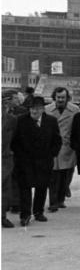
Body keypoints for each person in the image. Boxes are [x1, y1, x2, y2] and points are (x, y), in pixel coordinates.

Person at [11, 96, 62, 226]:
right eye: (32, 108)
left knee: (42, 187)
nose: (34, 111)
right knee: (25, 189)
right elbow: (14, 142)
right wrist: (20, 156)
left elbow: (57, 141)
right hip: (25, 161)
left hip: (44, 161)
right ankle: (25, 215)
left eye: (38, 109)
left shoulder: (51, 121)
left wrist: (51, 154)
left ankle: (38, 212)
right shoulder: (20, 120)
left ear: (43, 109)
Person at [46, 87, 80, 211]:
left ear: (67, 98)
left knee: (65, 176)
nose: (60, 100)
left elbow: (78, 128)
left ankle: (61, 200)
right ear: (54, 97)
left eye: (63, 97)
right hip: (53, 147)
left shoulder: (75, 110)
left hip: (68, 147)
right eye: (58, 97)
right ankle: (53, 202)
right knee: (53, 176)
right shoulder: (47, 109)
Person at [2, 90, 19, 227]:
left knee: (5, 189)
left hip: (6, 158)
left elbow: (14, 139)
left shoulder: (12, 119)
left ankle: (2, 216)